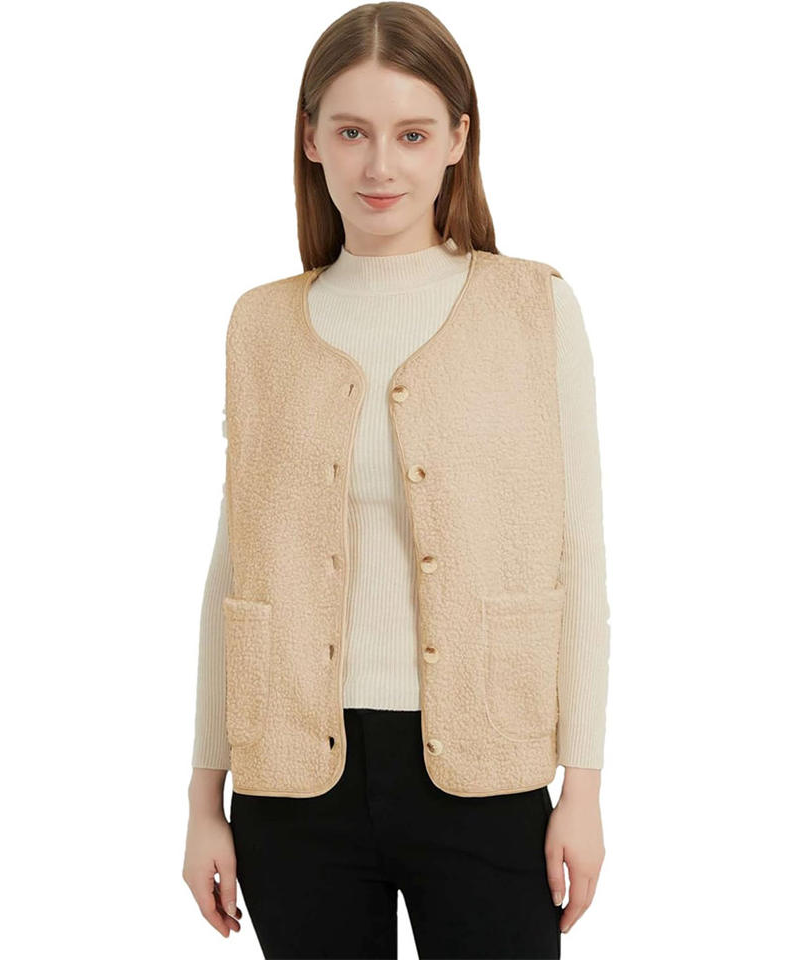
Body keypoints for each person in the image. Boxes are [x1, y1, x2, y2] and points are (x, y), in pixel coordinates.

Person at [182, 4, 610, 957]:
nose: (380, 166)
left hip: (488, 772)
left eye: (412, 135)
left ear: (458, 139)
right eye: (352, 132)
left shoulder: (533, 308)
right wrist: (205, 798)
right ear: (310, 138)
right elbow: (234, 571)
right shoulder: (261, 325)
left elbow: (578, 557)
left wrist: (581, 789)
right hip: (292, 782)